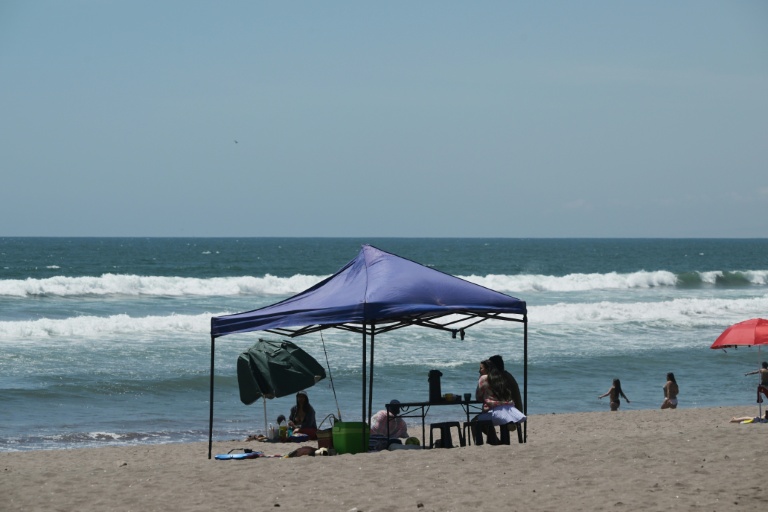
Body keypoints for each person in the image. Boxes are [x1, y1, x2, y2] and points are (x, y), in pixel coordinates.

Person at [474, 359, 526, 444]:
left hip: (497, 411)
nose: (479, 371)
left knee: (476, 422)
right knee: (491, 421)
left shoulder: (484, 378)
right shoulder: (504, 377)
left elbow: (479, 397)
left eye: (481, 368)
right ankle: (499, 441)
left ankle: (494, 442)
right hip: (512, 410)